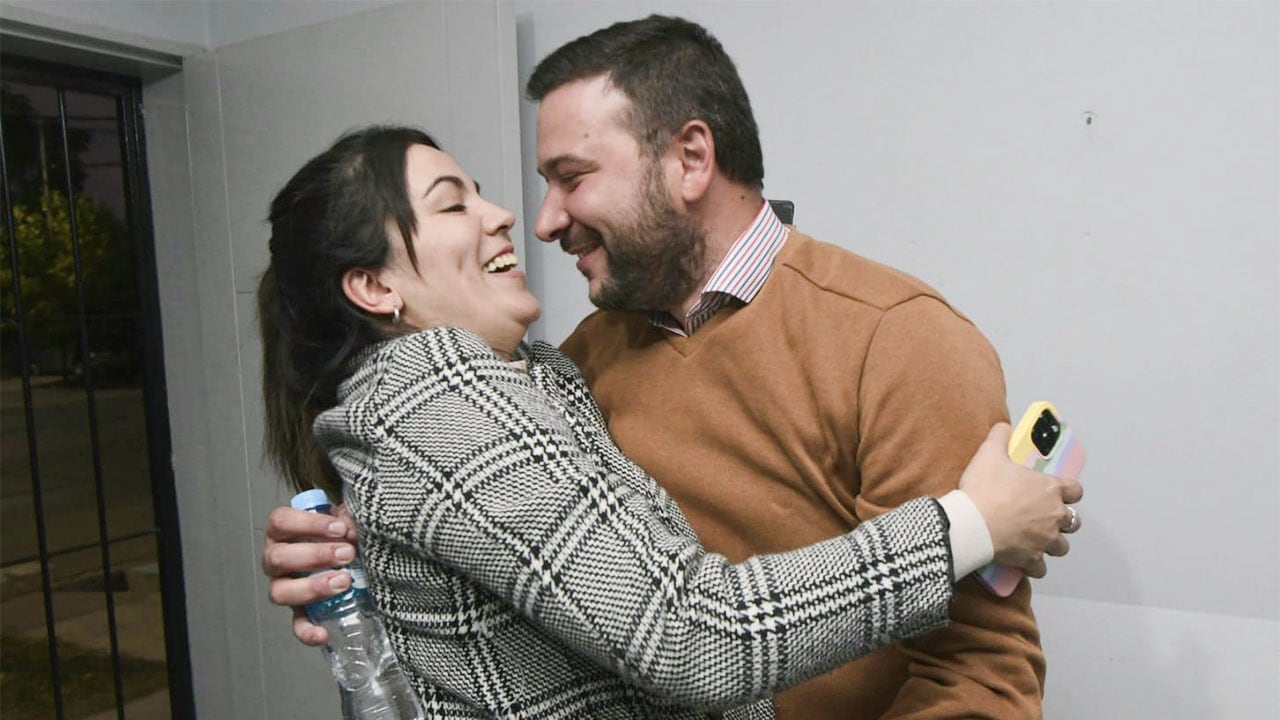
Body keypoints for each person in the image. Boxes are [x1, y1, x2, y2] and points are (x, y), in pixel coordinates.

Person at [258, 125, 1080, 718]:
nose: (525, 216)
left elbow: (981, 660)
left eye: (572, 176)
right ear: (373, 288)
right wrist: (970, 524)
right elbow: (685, 634)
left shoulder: (893, 331)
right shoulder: (454, 387)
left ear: (688, 160)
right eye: (454, 205)